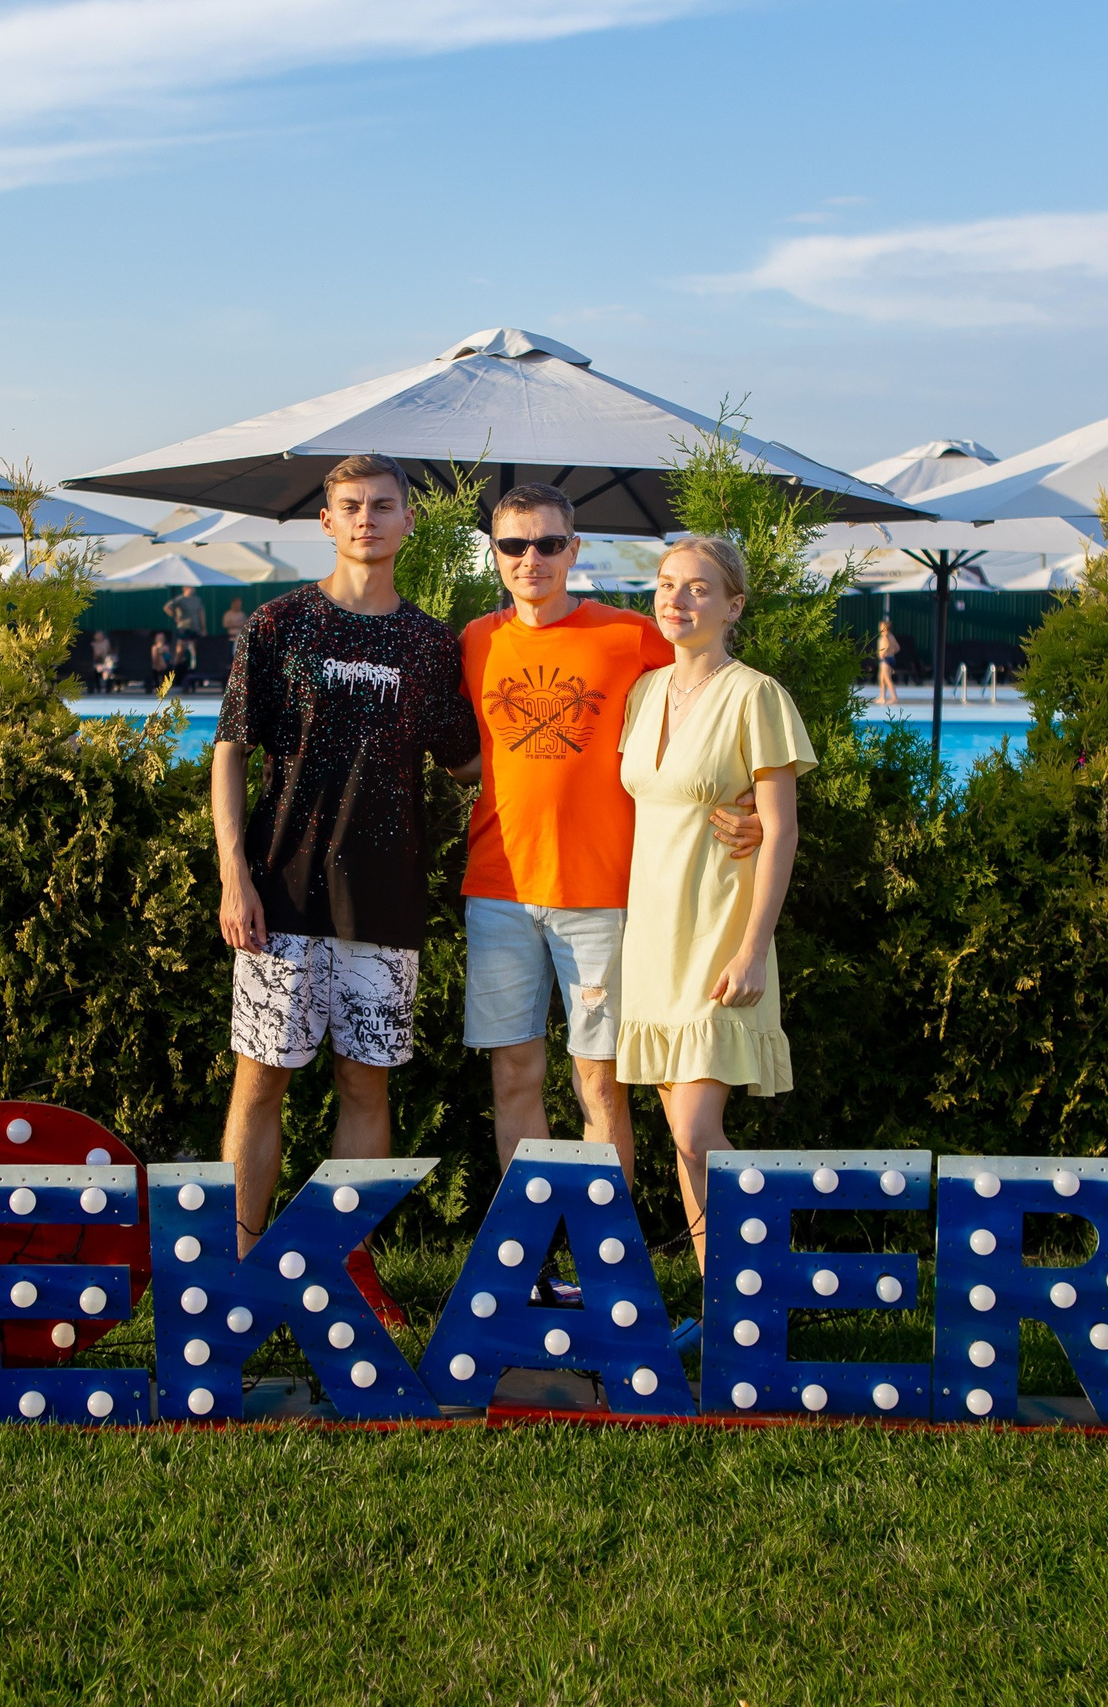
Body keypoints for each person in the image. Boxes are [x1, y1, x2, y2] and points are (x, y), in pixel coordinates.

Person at [212, 453, 480, 1329]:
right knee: (260, 1085)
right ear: (326, 522)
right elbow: (230, 753)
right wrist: (233, 874)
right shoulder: (279, 625)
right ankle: (241, 1266)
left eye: (383, 505)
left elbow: (480, 766)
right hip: (279, 897)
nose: (367, 518)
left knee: (368, 1090)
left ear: (409, 523)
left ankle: (343, 1267)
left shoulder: (434, 645)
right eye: (351, 506)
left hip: (386, 903)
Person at [457, 484, 759, 1219]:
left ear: (574, 549)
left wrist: (751, 796)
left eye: (549, 543)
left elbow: (714, 690)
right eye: (514, 545)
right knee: (514, 1078)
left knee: (600, 1084)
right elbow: (462, 753)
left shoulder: (630, 633)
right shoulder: (475, 640)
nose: (532, 559)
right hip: (497, 890)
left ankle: (605, 1267)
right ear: (494, 554)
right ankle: (527, 1262)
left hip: (602, 895)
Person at [615, 536, 816, 1268]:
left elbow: (782, 827)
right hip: (651, 945)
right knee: (683, 1142)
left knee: (700, 1132)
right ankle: (719, 1295)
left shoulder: (756, 695)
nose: (677, 599)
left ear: (733, 606)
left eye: (699, 588)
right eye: (667, 584)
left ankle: (768, 1283)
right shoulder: (642, 693)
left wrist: (754, 946)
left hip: (719, 939)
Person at [876, 617, 900, 707]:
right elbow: (897, 648)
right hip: (890, 658)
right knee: (881, 678)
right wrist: (891, 652)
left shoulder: (885, 636)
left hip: (885, 659)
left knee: (887, 679)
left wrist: (883, 653)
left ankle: (894, 697)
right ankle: (882, 697)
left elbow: (887, 645)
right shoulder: (891, 636)